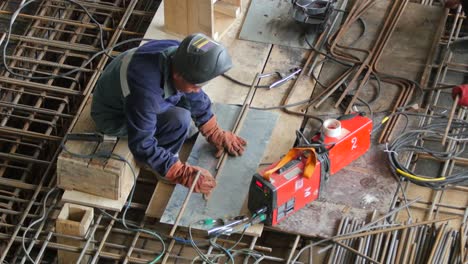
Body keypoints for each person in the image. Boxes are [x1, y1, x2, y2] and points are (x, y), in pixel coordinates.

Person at [90, 33, 247, 195]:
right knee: (180, 120)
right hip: (114, 117)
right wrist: (179, 172)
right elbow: (142, 144)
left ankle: (173, 141)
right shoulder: (146, 94)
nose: (197, 89)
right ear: (177, 75)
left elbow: (194, 94)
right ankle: (161, 165)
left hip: (129, 94)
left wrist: (213, 130)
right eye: (195, 85)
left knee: (187, 100)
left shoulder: (178, 54)